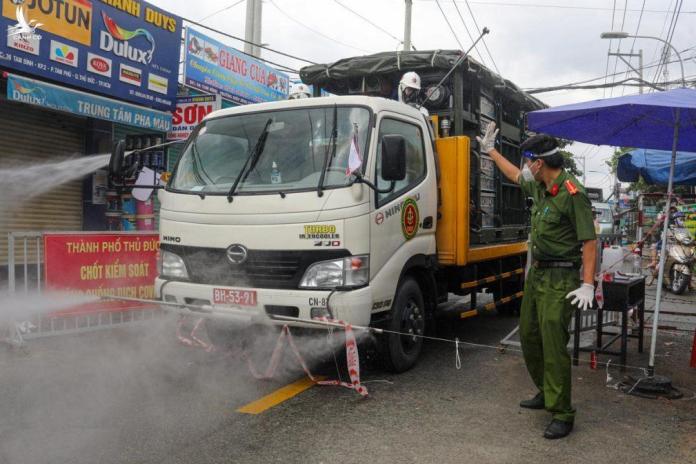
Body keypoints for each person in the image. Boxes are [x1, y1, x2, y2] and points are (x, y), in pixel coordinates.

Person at [477, 122, 597, 439]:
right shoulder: (542, 187)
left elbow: (589, 241)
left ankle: (562, 412)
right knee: (530, 336)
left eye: (529, 160)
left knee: (554, 344)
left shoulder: (573, 193)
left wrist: (588, 284)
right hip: (539, 275)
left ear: (540, 163)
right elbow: (514, 176)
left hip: (561, 278)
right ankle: (546, 390)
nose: (527, 166)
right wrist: (490, 150)